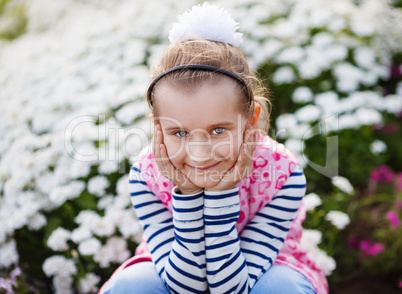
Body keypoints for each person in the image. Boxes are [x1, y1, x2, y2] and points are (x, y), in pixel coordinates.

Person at [100, 2, 328, 294]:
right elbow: (184, 286)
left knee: (282, 287)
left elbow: (232, 289)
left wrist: (221, 194)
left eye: (218, 130)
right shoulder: (146, 177)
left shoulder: (282, 175)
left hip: (261, 273)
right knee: (132, 284)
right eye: (179, 132)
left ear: (250, 120)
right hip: (174, 270)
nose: (199, 152)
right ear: (158, 129)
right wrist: (188, 193)